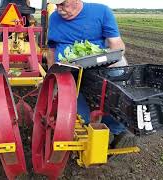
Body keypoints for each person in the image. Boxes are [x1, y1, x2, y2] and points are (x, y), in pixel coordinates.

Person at [47, 0, 135, 147]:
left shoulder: (101, 12)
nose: (59, 9)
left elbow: (117, 46)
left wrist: (103, 61)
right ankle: (87, 128)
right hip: (69, 73)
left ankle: (115, 130)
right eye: (56, 5)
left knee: (119, 93)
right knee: (78, 115)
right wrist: (51, 76)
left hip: (99, 68)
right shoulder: (54, 18)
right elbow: (51, 50)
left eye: (63, 4)